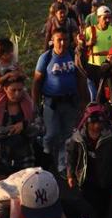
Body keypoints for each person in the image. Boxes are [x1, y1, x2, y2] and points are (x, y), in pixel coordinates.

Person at [33, 28, 87, 174]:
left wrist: (83, 100)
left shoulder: (72, 55)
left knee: (67, 135)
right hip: (52, 103)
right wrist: (35, 103)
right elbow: (36, 81)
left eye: (65, 40)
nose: (62, 43)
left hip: (70, 102)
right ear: (53, 40)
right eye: (59, 40)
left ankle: (63, 167)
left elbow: (81, 79)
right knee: (51, 134)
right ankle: (46, 161)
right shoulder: (46, 58)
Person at [66, 104, 112, 218]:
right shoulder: (78, 137)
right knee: (88, 205)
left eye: (100, 122)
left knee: (103, 206)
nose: (97, 126)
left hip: (105, 179)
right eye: (93, 123)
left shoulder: (110, 135)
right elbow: (71, 156)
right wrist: (70, 175)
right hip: (86, 179)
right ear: (86, 121)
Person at [0, 76, 44, 173]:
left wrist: (25, 126)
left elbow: (41, 129)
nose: (17, 94)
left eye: (20, 90)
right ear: (5, 89)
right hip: (2, 157)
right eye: (13, 90)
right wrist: (11, 130)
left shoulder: (30, 106)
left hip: (25, 156)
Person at [80, 6, 112, 99]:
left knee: (109, 95)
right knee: (94, 95)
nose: (107, 20)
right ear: (98, 18)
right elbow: (81, 45)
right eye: (105, 18)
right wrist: (89, 43)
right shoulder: (90, 30)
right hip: (93, 67)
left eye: (109, 18)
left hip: (109, 67)